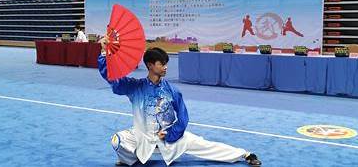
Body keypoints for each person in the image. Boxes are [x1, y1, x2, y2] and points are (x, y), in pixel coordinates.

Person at [98, 37, 262, 166]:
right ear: (150, 65)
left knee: (205, 145)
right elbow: (113, 78)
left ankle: (244, 154)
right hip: (142, 137)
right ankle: (129, 159)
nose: (166, 67)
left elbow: (183, 118)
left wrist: (170, 134)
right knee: (117, 140)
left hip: (170, 138)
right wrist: (104, 52)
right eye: (162, 64)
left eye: (166, 64)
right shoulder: (135, 87)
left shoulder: (172, 90)